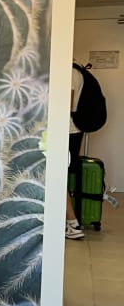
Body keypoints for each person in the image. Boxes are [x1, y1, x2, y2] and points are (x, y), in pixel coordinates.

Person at [66, 63, 85, 240]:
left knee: (58, 175)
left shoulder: (69, 72)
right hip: (72, 130)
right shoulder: (77, 72)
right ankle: (70, 221)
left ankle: (72, 223)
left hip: (68, 130)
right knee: (61, 175)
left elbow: (68, 104)